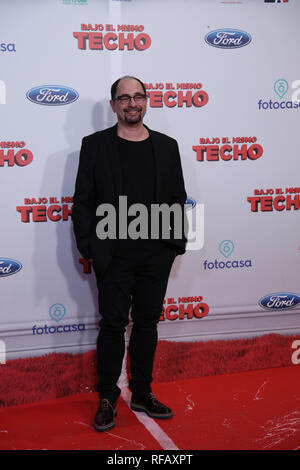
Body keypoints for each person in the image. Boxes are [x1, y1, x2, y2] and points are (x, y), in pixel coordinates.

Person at [72, 75, 187, 432]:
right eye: (124, 98)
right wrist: (91, 249)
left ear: (147, 101)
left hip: (156, 253)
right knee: (112, 325)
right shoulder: (94, 146)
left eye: (138, 96)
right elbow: (84, 203)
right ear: (114, 105)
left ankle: (141, 392)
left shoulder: (168, 146)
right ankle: (108, 396)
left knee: (148, 323)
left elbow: (177, 199)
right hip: (113, 254)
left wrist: (172, 247)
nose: (132, 103)